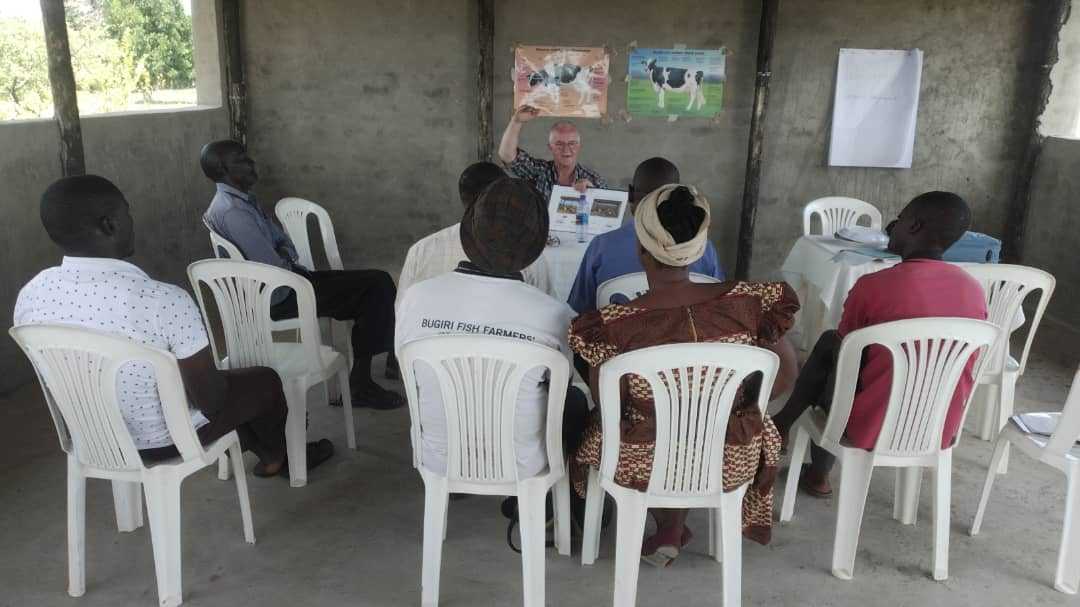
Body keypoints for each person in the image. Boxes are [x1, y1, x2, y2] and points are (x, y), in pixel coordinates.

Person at [14, 175, 334, 476]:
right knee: (262, 381)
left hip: (91, 438)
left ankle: (268, 453)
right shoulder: (161, 299)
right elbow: (211, 401)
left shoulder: (31, 296)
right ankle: (282, 456)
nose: (131, 221)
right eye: (127, 213)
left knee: (218, 382)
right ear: (109, 224)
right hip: (161, 444)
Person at [568, 184, 799, 566]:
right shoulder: (748, 306)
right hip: (731, 454)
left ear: (641, 250)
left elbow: (608, 403)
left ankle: (666, 521)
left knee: (618, 425)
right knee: (704, 426)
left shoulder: (613, 326)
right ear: (699, 250)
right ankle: (676, 521)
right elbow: (786, 374)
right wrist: (732, 406)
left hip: (642, 460)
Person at [771, 191, 989, 497]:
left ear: (914, 227)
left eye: (899, 219)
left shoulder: (873, 286)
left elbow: (846, 358)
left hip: (871, 426)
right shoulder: (973, 290)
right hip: (938, 427)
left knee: (831, 352)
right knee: (837, 352)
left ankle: (809, 461)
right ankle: (790, 437)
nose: (892, 226)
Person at [395, 177, 589, 487]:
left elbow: (409, 372)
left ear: (470, 232)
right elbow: (559, 386)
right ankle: (563, 501)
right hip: (523, 461)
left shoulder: (416, 298)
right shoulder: (553, 315)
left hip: (438, 455)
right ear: (535, 247)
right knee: (577, 400)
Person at [200, 139, 402, 410]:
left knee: (375, 284)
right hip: (281, 295)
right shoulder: (234, 212)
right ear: (223, 169)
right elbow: (272, 265)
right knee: (376, 286)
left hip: (286, 282)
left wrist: (286, 256)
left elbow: (283, 241)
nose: (251, 162)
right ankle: (363, 382)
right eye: (241, 159)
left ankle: (381, 361)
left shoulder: (239, 201)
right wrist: (295, 269)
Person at [566, 157, 725, 314]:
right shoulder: (702, 247)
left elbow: (580, 312)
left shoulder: (601, 246)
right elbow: (718, 300)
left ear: (642, 249)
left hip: (620, 336)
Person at [396, 161, 555, 310]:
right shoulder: (528, 254)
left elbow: (402, 313)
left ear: (463, 199)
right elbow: (546, 308)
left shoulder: (421, 250)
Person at [497, 105, 608, 200]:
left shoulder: (594, 180)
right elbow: (506, 155)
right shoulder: (539, 172)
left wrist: (593, 193)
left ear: (579, 146)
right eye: (559, 144)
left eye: (572, 143)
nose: (566, 149)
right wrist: (516, 121)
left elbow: (606, 218)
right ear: (550, 147)